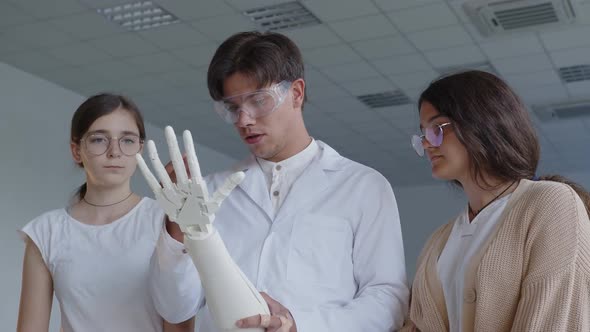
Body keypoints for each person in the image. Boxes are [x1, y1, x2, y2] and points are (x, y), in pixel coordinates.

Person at [148, 31, 410, 331]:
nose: (244, 119)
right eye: (232, 107)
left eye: (258, 100)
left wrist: (301, 324)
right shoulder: (206, 194)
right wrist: (175, 230)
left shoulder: (363, 186)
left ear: (296, 93)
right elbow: (175, 307)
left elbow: (388, 300)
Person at [402, 70, 590, 332]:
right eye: (423, 134)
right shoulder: (438, 241)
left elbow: (551, 321)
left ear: (482, 123)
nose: (427, 144)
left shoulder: (551, 203)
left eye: (437, 129)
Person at [17, 94, 194, 332]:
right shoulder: (46, 231)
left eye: (128, 140)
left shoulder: (165, 220)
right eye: (99, 139)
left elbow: (180, 322)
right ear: (76, 150)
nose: (115, 152)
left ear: (140, 149)